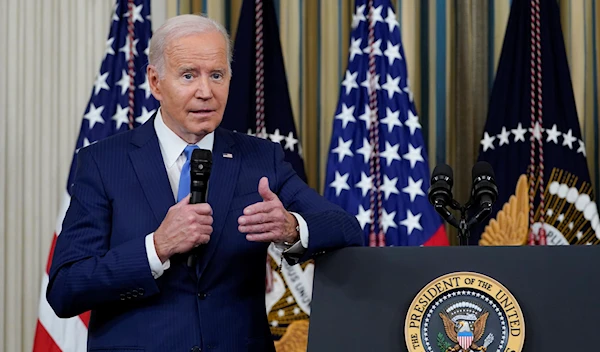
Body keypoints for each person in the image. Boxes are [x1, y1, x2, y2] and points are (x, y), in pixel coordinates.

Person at [46, 14, 364, 352]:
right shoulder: (102, 163)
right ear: (155, 82)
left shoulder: (260, 158)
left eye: (216, 75)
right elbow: (66, 289)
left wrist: (291, 228)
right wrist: (156, 247)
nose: (205, 92)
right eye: (188, 76)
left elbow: (346, 228)